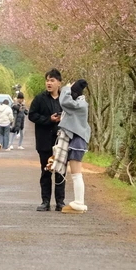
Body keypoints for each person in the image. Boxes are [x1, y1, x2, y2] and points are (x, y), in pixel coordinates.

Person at [28, 68, 65, 211]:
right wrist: (48, 120)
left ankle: (60, 202)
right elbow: (32, 115)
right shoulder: (39, 98)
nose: (49, 83)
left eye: (52, 80)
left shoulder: (65, 100)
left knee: (60, 172)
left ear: (59, 83)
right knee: (46, 171)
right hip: (44, 141)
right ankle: (45, 201)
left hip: (61, 142)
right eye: (47, 80)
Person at [59, 79, 90, 213]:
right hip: (78, 140)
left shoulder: (80, 105)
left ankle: (79, 203)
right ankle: (78, 202)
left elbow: (64, 102)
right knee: (76, 174)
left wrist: (65, 88)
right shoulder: (81, 103)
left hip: (78, 141)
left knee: (77, 174)